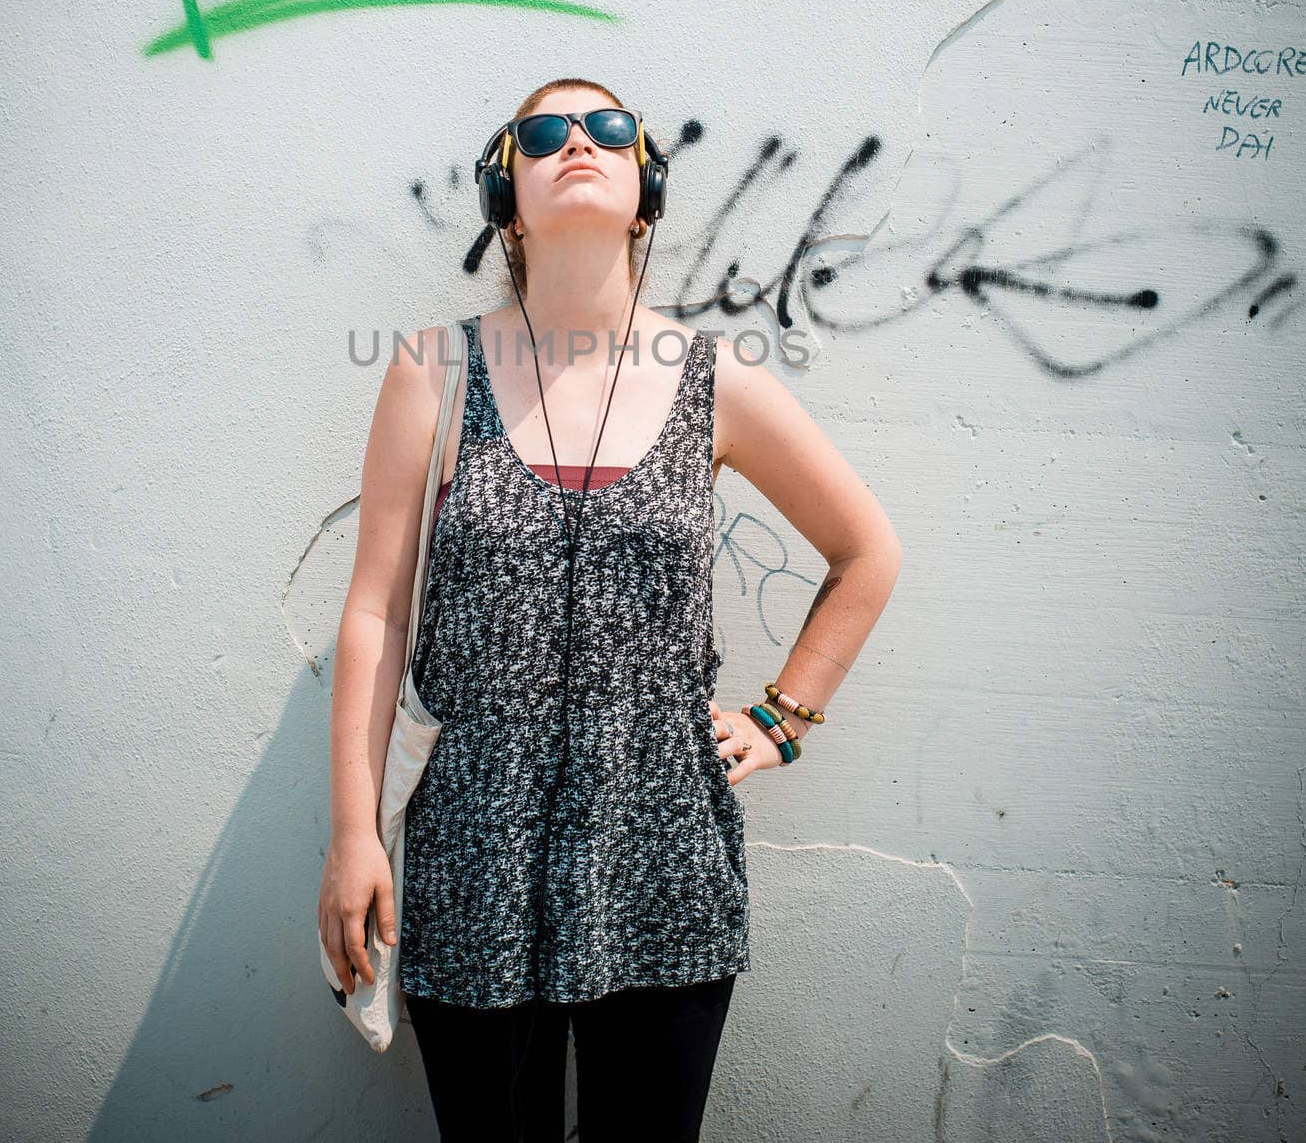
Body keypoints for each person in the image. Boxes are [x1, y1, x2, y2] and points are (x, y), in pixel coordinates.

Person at [319, 79, 903, 1140]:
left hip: (663, 850)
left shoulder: (715, 379)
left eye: (608, 129)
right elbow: (375, 616)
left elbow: (867, 551)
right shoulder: (432, 372)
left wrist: (783, 718)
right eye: (544, 133)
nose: (576, 142)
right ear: (508, 195)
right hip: (472, 851)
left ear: (646, 193)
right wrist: (352, 833)